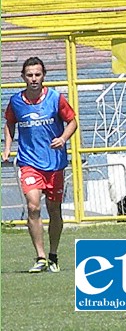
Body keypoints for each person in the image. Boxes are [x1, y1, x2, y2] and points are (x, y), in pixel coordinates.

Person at [2, 57, 77, 273]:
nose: (33, 79)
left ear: (43, 75)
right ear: (23, 77)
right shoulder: (16, 101)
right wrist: (8, 147)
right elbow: (9, 122)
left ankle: (53, 255)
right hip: (29, 162)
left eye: (37, 74)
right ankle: (40, 257)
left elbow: (72, 121)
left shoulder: (55, 98)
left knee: (54, 209)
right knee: (33, 206)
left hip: (54, 163)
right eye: (29, 75)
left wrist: (63, 138)